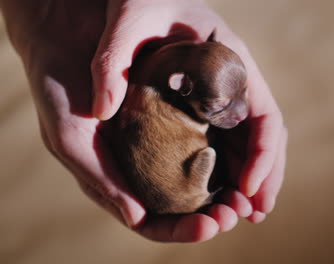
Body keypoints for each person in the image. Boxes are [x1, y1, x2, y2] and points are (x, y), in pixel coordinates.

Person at [0, 0, 287, 242]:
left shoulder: (160, 79)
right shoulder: (159, 101)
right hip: (190, 180)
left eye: (243, 92)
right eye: (220, 106)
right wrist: (39, 22)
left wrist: (43, 19)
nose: (240, 113)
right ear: (179, 84)